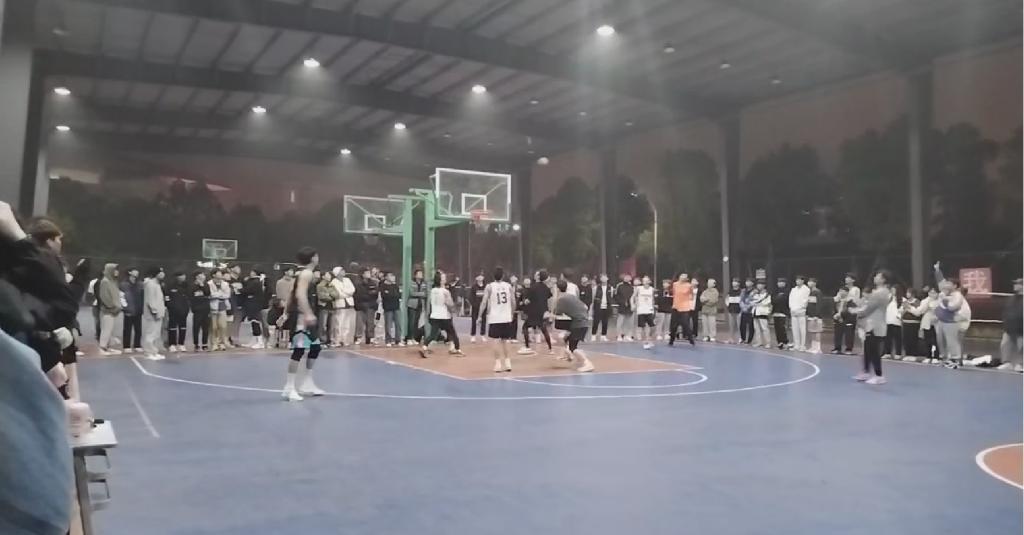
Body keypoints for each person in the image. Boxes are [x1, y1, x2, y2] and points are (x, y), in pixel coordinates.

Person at [278, 247, 324, 402]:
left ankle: (307, 382)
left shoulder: (300, 274)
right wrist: (308, 313)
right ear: (313, 258)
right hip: (301, 317)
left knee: (315, 347)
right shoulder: (306, 274)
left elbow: (290, 295)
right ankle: (289, 387)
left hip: (302, 315)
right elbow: (299, 295)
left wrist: (285, 313)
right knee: (298, 350)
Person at [851, 270, 892, 385]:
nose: (875, 277)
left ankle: (879, 375)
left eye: (878, 276)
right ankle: (866, 372)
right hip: (872, 324)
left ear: (883, 279)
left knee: (874, 351)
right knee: (868, 349)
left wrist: (855, 311)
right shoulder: (881, 292)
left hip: (875, 325)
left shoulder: (880, 293)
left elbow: (869, 308)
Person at [554, 279, 595, 372]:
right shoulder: (571, 296)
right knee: (566, 339)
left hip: (579, 324)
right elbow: (585, 306)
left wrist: (548, 315)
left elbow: (558, 312)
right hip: (581, 322)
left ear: (557, 289)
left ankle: (587, 363)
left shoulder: (561, 299)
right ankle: (569, 356)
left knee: (573, 347)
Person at [418, 271, 463, 358]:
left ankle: (424, 347)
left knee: (432, 334)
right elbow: (449, 304)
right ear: (440, 281)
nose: (445, 279)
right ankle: (457, 349)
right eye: (443, 278)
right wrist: (454, 308)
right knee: (452, 333)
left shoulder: (432, 291)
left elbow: (430, 303)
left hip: (435, 315)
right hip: (444, 316)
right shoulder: (445, 291)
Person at [480, 267, 516, 372]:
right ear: (503, 276)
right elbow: (513, 301)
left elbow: (484, 302)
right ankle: (508, 363)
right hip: (506, 317)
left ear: (493, 276)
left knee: (496, 341)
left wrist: (479, 315)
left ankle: (498, 364)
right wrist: (512, 313)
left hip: (495, 318)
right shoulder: (508, 286)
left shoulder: (489, 286)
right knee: (506, 340)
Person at [933, 262, 965, 369]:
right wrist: (937, 270)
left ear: (955, 286)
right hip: (941, 321)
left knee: (951, 341)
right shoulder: (944, 291)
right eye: (947, 283)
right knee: (941, 341)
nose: (946, 285)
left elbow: (953, 307)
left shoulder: (957, 296)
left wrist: (945, 300)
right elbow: (940, 281)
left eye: (949, 283)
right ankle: (944, 359)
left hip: (951, 322)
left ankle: (955, 360)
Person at [522, 270, 554, 354]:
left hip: (533, 311)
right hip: (542, 311)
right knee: (544, 329)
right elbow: (550, 297)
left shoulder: (533, 287)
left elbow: (527, 301)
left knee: (525, 327)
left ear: (539, 277)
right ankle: (550, 348)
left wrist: (524, 303)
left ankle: (527, 346)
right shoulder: (546, 288)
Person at [141, 266, 167, 361]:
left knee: (156, 334)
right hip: (153, 314)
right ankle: (148, 352)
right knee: (151, 333)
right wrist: (154, 311)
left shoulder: (157, 284)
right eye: (160, 272)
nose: (163, 274)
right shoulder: (150, 284)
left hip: (159, 312)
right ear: (156, 274)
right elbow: (150, 300)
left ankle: (154, 352)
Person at [997, 278, 1023, 371]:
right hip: (1009, 327)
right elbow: (1006, 310)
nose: (1015, 285)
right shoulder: (1012, 298)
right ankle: (1006, 363)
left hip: (1021, 329)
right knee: (1005, 345)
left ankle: (1021, 364)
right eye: (1015, 283)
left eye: (1018, 284)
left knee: (1021, 347)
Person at [97, 263, 123, 354]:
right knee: (106, 330)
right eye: (115, 270)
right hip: (107, 311)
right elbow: (104, 297)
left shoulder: (113, 282)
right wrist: (112, 306)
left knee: (111, 330)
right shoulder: (105, 281)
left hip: (115, 311)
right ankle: (102, 347)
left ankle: (109, 347)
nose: (117, 272)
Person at [243, 268, 270, 349]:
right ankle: (254, 340)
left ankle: (260, 341)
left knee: (255, 321)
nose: (250, 273)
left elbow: (247, 290)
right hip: (253, 303)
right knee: (253, 321)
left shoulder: (256, 282)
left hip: (255, 304)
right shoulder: (254, 281)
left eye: (252, 272)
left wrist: (239, 290)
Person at [164, 271, 190, 353]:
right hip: (173, 310)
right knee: (172, 327)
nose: (183, 277)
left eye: (184, 275)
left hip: (184, 310)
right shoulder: (170, 285)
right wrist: (169, 306)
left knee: (183, 327)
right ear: (177, 277)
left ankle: (181, 344)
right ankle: (172, 344)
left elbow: (189, 296)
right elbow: (166, 297)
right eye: (181, 275)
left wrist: (187, 307)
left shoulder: (186, 285)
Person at [120, 267, 144, 353]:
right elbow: (121, 297)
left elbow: (143, 296)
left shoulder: (140, 284)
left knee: (138, 329)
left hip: (138, 310)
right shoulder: (123, 284)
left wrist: (142, 307)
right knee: (127, 329)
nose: (137, 272)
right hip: (128, 310)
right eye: (135, 271)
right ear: (130, 272)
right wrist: (125, 307)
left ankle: (137, 345)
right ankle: (126, 346)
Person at [208, 268, 232, 351]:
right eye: (218, 273)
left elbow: (227, 295)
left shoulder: (225, 284)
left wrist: (218, 295)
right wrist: (220, 294)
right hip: (213, 306)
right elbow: (211, 295)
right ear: (213, 275)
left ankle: (221, 343)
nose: (221, 274)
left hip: (222, 306)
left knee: (223, 326)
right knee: (214, 326)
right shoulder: (209, 284)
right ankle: (214, 343)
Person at [354, 267, 379, 345]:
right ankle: (358, 337)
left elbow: (375, 293)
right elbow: (359, 295)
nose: (369, 274)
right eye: (367, 273)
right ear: (363, 274)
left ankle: (370, 337)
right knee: (359, 323)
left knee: (370, 322)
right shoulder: (358, 283)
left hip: (371, 305)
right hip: (360, 305)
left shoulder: (373, 282)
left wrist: (370, 294)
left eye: (369, 272)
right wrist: (369, 294)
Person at [669, 273, 695, 346]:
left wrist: (689, 300)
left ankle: (690, 338)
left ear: (687, 279)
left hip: (685, 307)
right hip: (676, 306)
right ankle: (671, 340)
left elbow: (691, 295)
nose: (683, 278)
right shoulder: (675, 284)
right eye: (682, 276)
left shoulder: (689, 286)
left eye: (685, 277)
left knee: (685, 324)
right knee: (673, 325)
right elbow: (673, 293)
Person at [273, 266, 296, 348]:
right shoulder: (280, 282)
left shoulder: (294, 281)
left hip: (292, 305)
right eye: (290, 270)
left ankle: (289, 340)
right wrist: (283, 302)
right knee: (280, 323)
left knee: (291, 324)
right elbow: (279, 294)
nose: (292, 272)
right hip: (282, 304)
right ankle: (277, 340)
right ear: (285, 272)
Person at [315, 270, 338, 347]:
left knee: (331, 325)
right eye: (327, 275)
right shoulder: (320, 286)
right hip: (323, 307)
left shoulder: (332, 285)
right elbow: (322, 296)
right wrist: (330, 296)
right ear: (323, 276)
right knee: (323, 325)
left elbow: (336, 295)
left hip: (332, 307)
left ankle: (329, 340)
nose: (329, 276)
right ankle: (322, 340)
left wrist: (329, 294)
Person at [831, 287, 856, 355]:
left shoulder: (850, 301)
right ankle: (837, 348)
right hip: (838, 320)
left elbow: (851, 312)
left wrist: (842, 315)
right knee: (837, 335)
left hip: (847, 321)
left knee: (849, 335)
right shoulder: (837, 301)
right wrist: (835, 315)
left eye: (843, 291)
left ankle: (848, 349)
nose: (841, 292)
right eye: (840, 291)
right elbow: (833, 309)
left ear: (847, 292)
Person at [405, 269, 427, 345]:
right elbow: (412, 293)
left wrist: (421, 294)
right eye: (419, 273)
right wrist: (421, 294)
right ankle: (409, 338)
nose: (421, 275)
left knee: (416, 323)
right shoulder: (412, 283)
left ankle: (414, 337)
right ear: (415, 275)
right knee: (411, 322)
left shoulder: (423, 283)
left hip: (420, 305)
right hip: (412, 305)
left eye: (421, 273)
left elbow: (426, 293)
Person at [190, 270, 211, 351]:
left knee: (205, 327)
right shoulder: (192, 286)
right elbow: (190, 297)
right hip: (197, 310)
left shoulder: (206, 285)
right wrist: (193, 308)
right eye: (202, 275)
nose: (203, 276)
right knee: (196, 327)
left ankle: (205, 344)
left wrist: (202, 286)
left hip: (206, 309)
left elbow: (208, 293)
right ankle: (196, 344)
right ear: (197, 276)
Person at [788, 275, 810, 351]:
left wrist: (801, 307)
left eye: (799, 280)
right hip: (793, 311)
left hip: (801, 311)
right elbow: (790, 299)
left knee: (802, 329)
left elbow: (805, 300)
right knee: (795, 329)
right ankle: (796, 345)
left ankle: (802, 345)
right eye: (796, 280)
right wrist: (792, 308)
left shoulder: (806, 289)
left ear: (803, 281)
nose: (797, 281)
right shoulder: (793, 289)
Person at [635, 275, 656, 350]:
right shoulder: (639, 288)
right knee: (643, 327)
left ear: (649, 281)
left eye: (647, 280)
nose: (645, 282)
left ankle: (649, 338)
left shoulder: (652, 289)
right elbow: (633, 297)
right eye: (644, 280)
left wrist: (653, 307)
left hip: (649, 309)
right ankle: (646, 342)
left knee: (653, 327)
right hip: (641, 310)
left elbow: (653, 299)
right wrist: (634, 304)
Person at [900, 287, 921, 361]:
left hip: (914, 323)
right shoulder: (905, 302)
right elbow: (901, 312)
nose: (907, 294)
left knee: (913, 338)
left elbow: (917, 313)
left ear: (912, 294)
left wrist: (909, 307)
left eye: (908, 292)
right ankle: (907, 354)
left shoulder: (917, 302)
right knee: (906, 339)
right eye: (907, 292)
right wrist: (904, 310)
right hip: (906, 322)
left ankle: (913, 354)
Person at [380, 271, 401, 347]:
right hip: (388, 308)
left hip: (396, 306)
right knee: (388, 325)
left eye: (393, 276)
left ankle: (398, 340)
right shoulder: (383, 286)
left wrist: (391, 294)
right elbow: (385, 296)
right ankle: (388, 340)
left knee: (398, 324)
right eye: (390, 276)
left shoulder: (395, 285)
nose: (392, 277)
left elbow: (398, 295)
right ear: (386, 277)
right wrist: (391, 294)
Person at [882, 287, 903, 360]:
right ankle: (887, 353)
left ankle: (898, 353)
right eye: (892, 290)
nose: (892, 291)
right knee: (888, 338)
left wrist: (899, 315)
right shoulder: (889, 298)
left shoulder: (901, 299)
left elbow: (902, 309)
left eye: (894, 290)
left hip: (896, 321)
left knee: (897, 338)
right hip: (888, 320)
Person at [751, 280, 772, 348]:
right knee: (756, 328)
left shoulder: (767, 294)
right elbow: (751, 301)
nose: (759, 286)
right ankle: (759, 342)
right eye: (758, 284)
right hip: (755, 312)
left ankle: (768, 343)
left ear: (764, 285)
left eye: (760, 284)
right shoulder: (755, 293)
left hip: (763, 312)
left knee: (764, 328)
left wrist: (757, 303)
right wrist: (753, 294)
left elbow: (766, 303)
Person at [591, 274, 613, 341]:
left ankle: (603, 335)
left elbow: (611, 296)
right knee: (596, 321)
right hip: (598, 306)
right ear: (600, 279)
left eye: (605, 277)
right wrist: (592, 307)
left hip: (606, 307)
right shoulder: (596, 287)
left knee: (605, 322)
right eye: (602, 278)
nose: (604, 279)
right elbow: (593, 297)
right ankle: (593, 335)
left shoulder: (610, 288)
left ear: (607, 278)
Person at [772, 278, 792, 349]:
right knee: (777, 329)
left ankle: (785, 342)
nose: (780, 283)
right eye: (779, 282)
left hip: (784, 312)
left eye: (781, 282)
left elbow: (785, 300)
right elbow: (773, 300)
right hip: (775, 312)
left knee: (783, 328)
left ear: (784, 283)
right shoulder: (775, 291)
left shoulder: (788, 291)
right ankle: (779, 342)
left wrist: (778, 299)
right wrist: (778, 299)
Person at [614, 273, 635, 342]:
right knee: (620, 322)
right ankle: (619, 335)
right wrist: (621, 302)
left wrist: (631, 304)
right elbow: (616, 296)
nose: (627, 278)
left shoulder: (632, 287)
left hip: (630, 307)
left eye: (628, 277)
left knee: (630, 322)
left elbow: (633, 297)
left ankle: (628, 335)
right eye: (626, 277)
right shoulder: (619, 286)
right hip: (622, 306)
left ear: (630, 278)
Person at [806, 278, 824, 353]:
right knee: (812, 332)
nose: (809, 283)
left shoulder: (818, 292)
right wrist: (807, 314)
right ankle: (813, 347)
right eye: (808, 281)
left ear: (815, 283)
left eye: (811, 282)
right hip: (810, 315)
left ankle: (818, 348)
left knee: (817, 332)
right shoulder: (809, 292)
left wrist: (817, 315)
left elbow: (819, 304)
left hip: (816, 316)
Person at [700, 278, 720, 342]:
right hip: (704, 310)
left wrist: (705, 300)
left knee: (712, 324)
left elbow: (713, 301)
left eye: (710, 283)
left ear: (714, 284)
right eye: (708, 282)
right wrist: (706, 299)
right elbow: (701, 299)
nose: (709, 284)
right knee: (705, 324)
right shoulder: (705, 291)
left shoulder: (715, 292)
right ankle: (706, 336)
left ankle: (712, 336)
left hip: (712, 311)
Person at [468, 273, 487, 343]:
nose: (480, 278)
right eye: (478, 277)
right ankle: (473, 335)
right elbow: (471, 297)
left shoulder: (486, 287)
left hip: (483, 307)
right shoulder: (474, 287)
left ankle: (483, 335)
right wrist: (474, 305)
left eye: (481, 277)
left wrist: (485, 305)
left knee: (483, 321)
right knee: (474, 321)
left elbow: (487, 297)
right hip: (475, 308)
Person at [739, 278, 755, 344]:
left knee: (751, 326)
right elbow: (741, 300)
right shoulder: (743, 291)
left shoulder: (755, 291)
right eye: (746, 281)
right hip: (743, 311)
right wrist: (743, 307)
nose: (747, 283)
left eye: (749, 281)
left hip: (751, 311)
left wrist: (748, 307)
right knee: (742, 326)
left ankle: (749, 340)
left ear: (752, 283)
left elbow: (754, 300)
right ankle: (743, 338)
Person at [726, 278, 742, 344]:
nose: (733, 283)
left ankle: (740, 338)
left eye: (735, 281)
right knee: (731, 325)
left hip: (739, 310)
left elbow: (742, 300)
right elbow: (727, 299)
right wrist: (728, 305)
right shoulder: (730, 291)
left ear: (738, 283)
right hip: (731, 310)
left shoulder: (741, 291)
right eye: (733, 281)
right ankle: (731, 338)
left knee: (739, 325)